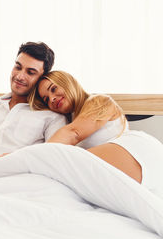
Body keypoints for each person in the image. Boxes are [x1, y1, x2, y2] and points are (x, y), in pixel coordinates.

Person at [30, 70, 163, 189]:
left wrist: (33, 158)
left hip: (136, 153)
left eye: (53, 89)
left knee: (59, 167)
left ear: (68, 83)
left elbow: (73, 133)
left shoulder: (99, 101)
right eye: (46, 99)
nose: (52, 99)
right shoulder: (70, 120)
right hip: (112, 168)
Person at [0, 42, 67, 157]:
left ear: (41, 79)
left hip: (17, 170)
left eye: (30, 72)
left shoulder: (52, 117)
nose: (20, 76)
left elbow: (52, 158)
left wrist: (11, 159)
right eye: (18, 67)